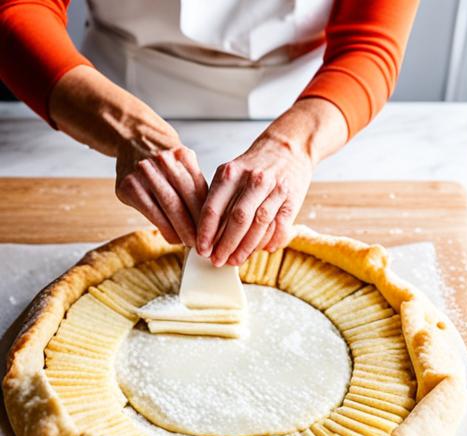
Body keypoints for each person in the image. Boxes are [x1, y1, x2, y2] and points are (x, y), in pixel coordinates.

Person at [0, 0, 418, 266]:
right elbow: (17, 10)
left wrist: (292, 147)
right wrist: (124, 125)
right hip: (101, 100)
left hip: (308, 106)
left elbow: (369, 45)